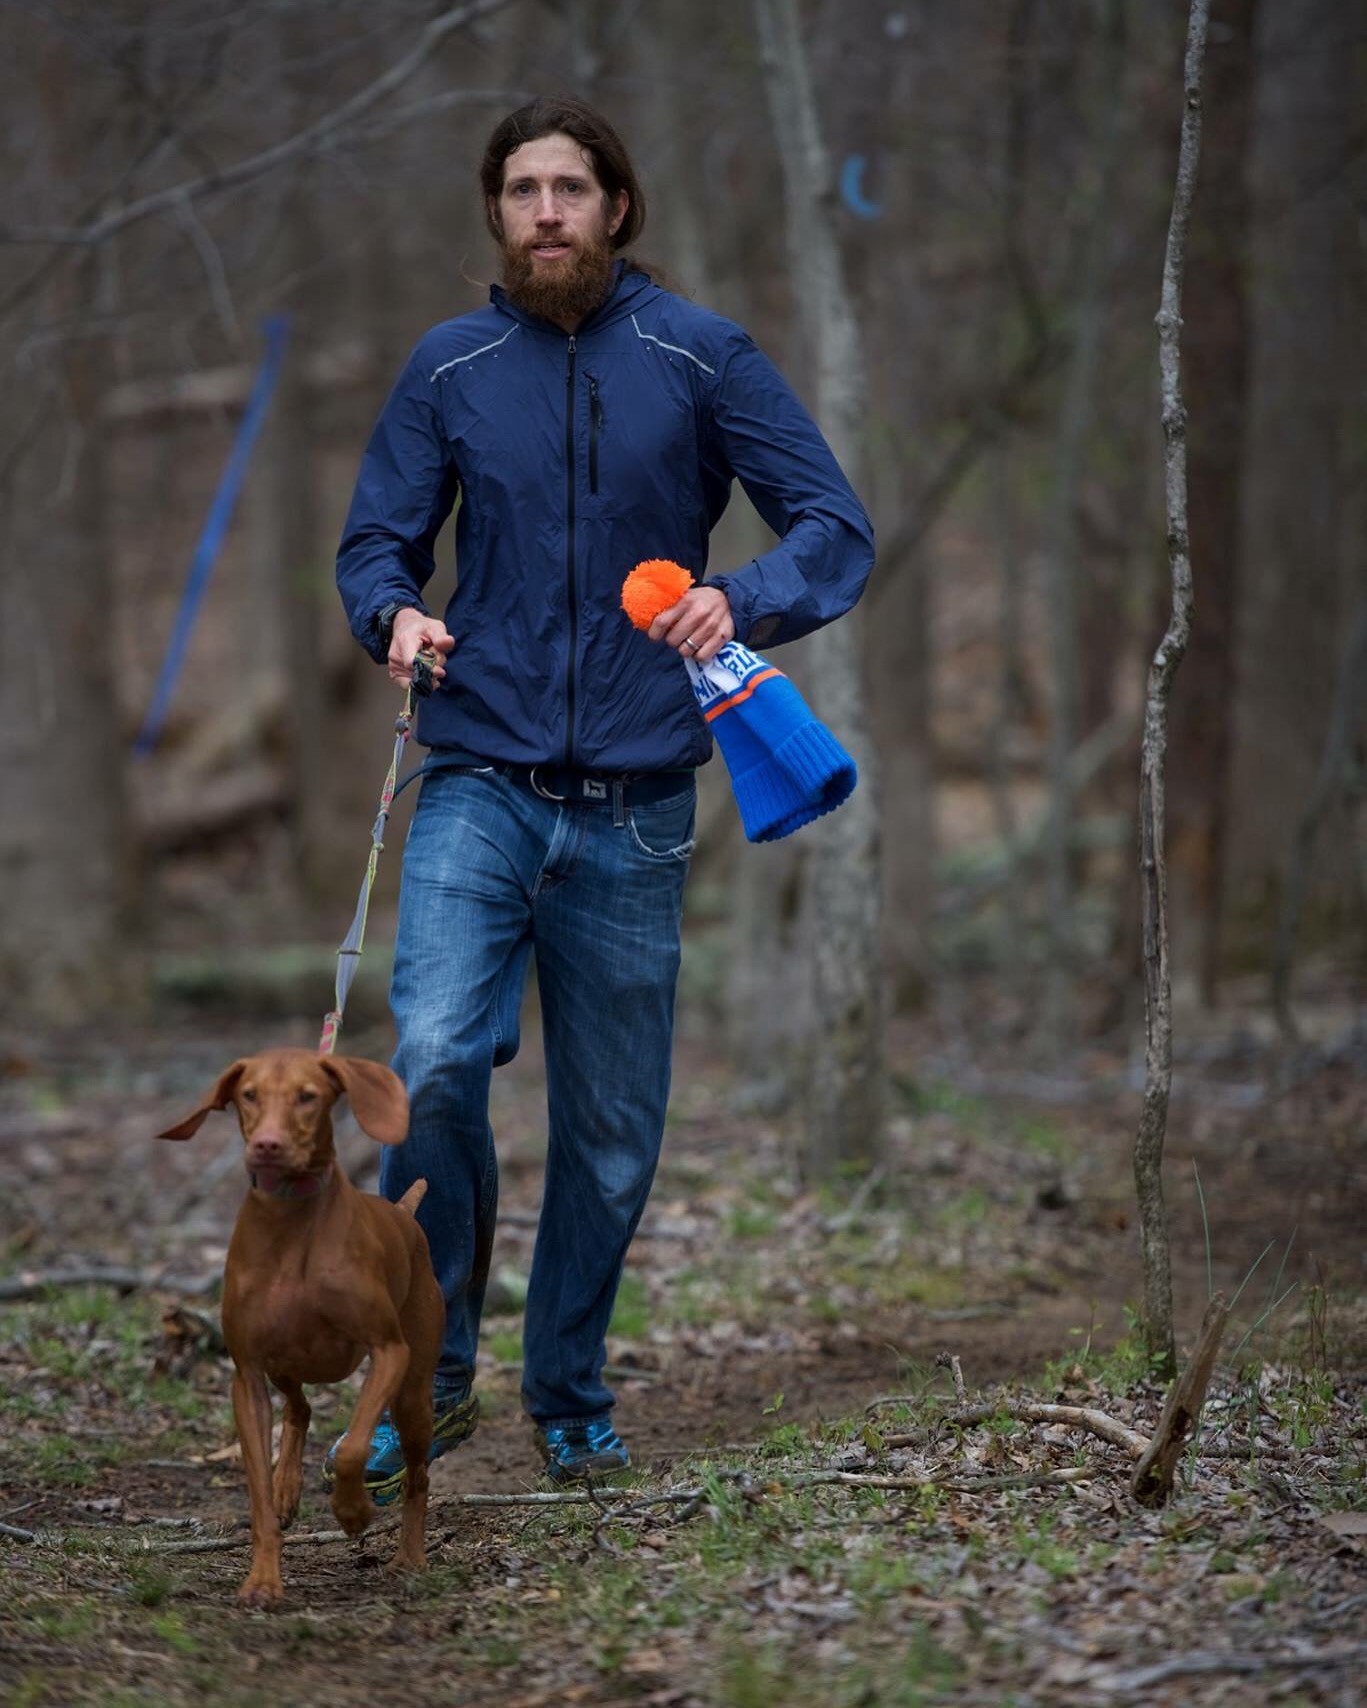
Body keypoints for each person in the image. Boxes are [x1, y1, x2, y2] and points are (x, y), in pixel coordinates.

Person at [333, 95, 874, 1491]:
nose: (547, 213)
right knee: (433, 1062)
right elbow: (376, 542)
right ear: (497, 212)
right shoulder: (451, 367)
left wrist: (737, 596)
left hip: (635, 806)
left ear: (616, 206)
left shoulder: (700, 354)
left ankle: (567, 1387)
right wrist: (395, 614)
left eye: (570, 188)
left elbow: (835, 527)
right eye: (523, 191)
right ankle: (434, 1369)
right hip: (479, 775)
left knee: (614, 1135)